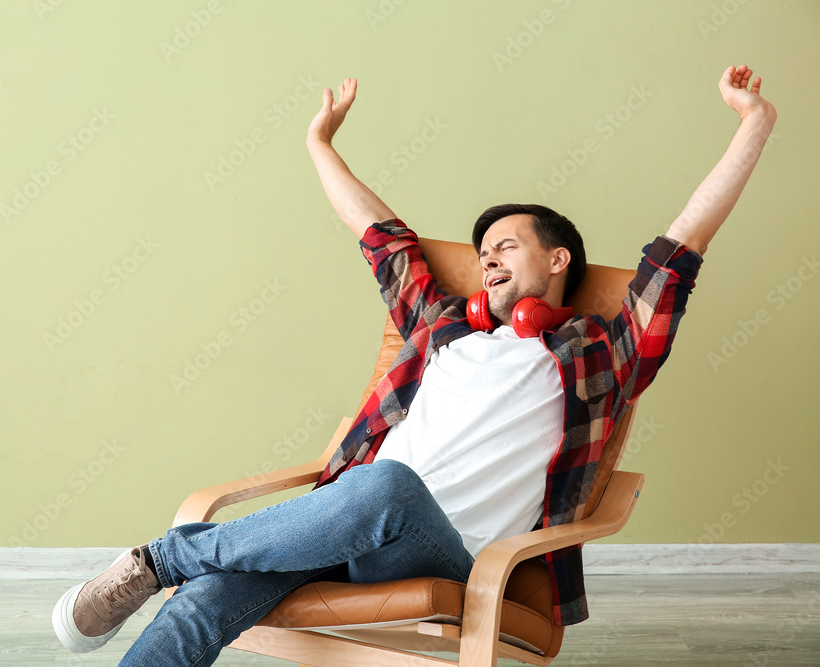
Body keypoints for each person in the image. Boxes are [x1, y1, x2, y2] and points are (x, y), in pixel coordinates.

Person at [52, 65, 776, 666]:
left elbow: (682, 246)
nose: (488, 255)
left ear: (558, 261)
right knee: (208, 601)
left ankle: (156, 559)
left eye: (507, 244)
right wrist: (317, 142)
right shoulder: (443, 325)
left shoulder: (601, 354)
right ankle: (165, 571)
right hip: (336, 524)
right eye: (482, 249)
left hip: (443, 551)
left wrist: (754, 122)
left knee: (387, 484)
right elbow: (380, 237)